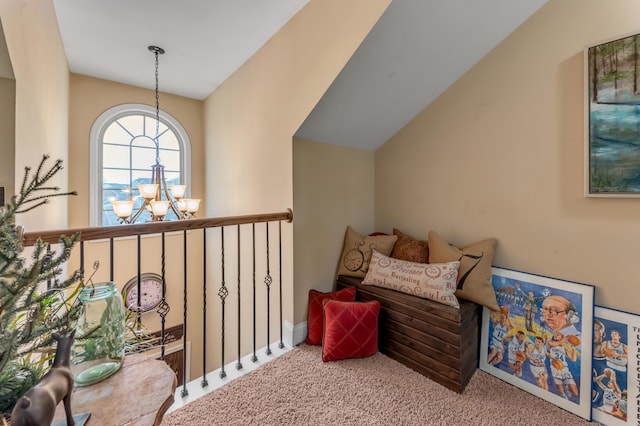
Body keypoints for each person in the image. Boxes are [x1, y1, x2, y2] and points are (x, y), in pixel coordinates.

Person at [546, 331, 578, 400]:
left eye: (558, 334)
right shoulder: (550, 342)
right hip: (555, 368)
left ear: (561, 336)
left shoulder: (564, 348)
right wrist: (564, 340)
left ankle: (566, 386)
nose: (555, 335)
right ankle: (564, 397)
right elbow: (554, 344)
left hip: (564, 368)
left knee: (575, 393)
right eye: (555, 334)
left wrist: (573, 348)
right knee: (560, 390)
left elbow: (573, 359)